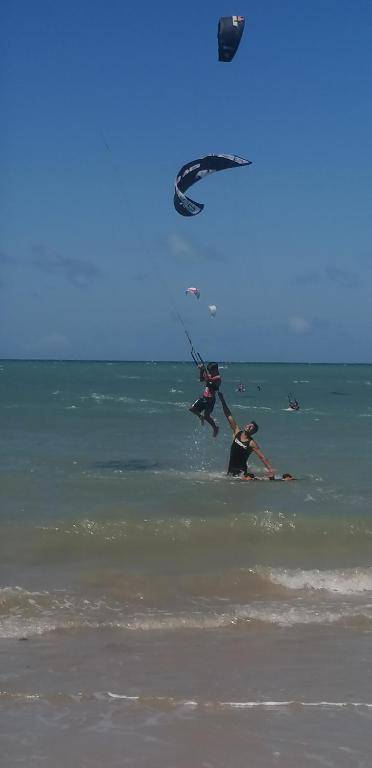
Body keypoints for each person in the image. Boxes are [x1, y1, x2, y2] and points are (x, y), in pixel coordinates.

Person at [218, 391, 275, 477]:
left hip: (241, 473)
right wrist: (222, 400)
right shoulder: (237, 432)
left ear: (253, 432)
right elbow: (229, 415)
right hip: (231, 471)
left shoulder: (251, 443)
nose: (249, 427)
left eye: (252, 427)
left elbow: (262, 457)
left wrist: (271, 470)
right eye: (249, 425)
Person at [189, 362, 221, 437]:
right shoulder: (209, 376)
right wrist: (201, 371)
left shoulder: (218, 377)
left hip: (210, 400)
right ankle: (200, 417)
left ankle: (215, 428)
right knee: (191, 409)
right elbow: (201, 379)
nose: (210, 372)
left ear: (216, 370)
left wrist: (204, 370)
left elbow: (209, 380)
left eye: (211, 371)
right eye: (209, 371)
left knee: (207, 416)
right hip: (204, 397)